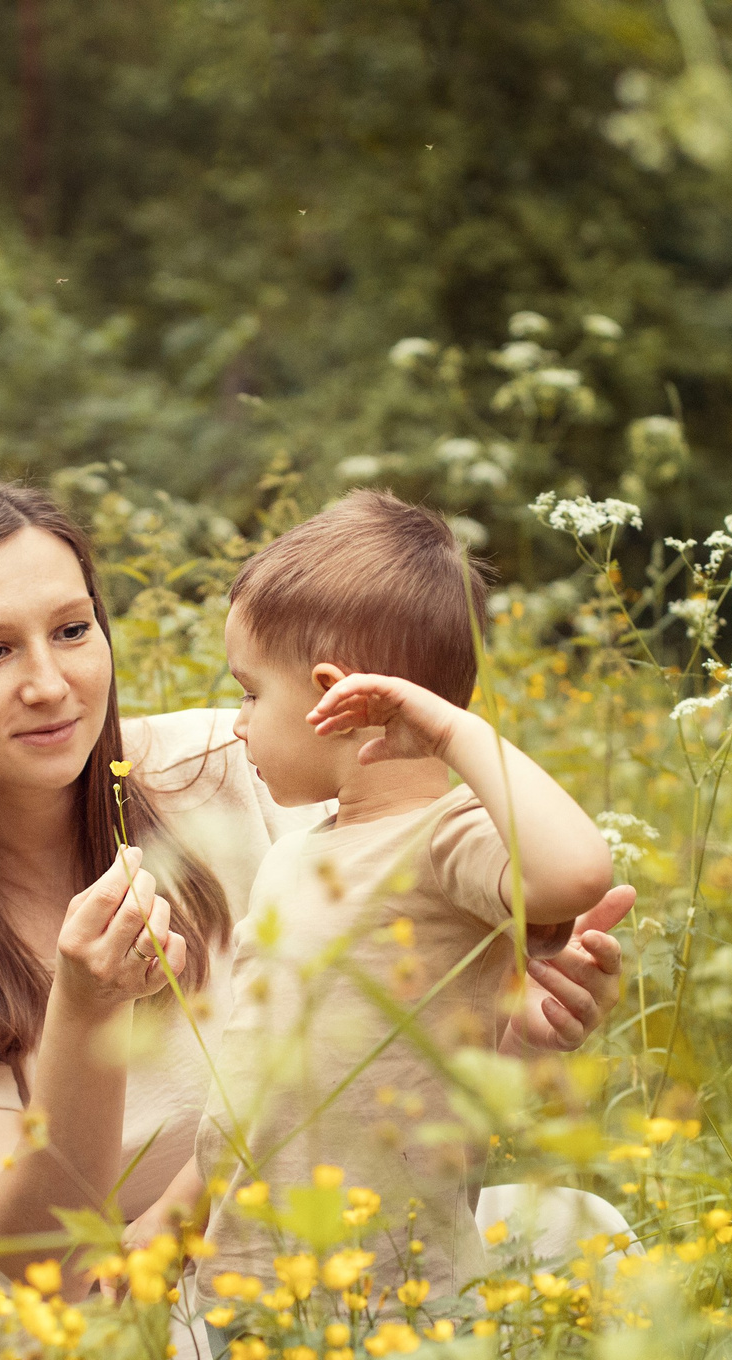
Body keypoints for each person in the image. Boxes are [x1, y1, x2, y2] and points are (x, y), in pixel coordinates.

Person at [0, 480, 633, 1293]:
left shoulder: (238, 765)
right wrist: (88, 1008)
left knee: (590, 1237)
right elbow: (40, 1262)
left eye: (71, 629)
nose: (50, 684)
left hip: (308, 1233)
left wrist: (505, 1023)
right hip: (92, 1303)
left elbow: (375, 1059)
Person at [129, 490, 617, 1306]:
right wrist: (173, 1215)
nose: (238, 724)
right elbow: (255, 1083)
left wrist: (451, 730)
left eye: (250, 693)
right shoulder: (302, 855)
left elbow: (576, 875)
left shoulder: (443, 837)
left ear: (336, 698)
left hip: (400, 1297)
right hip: (250, 1286)